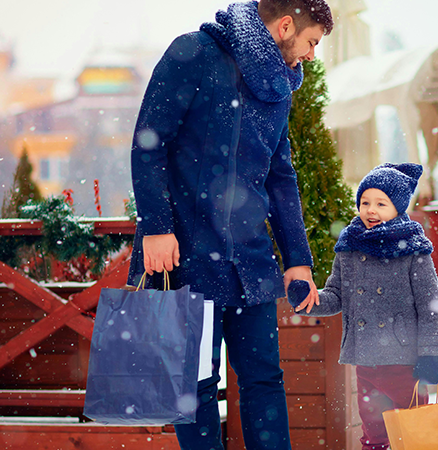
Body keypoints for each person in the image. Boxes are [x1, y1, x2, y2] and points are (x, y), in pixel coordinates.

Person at [127, 1, 333, 449]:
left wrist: (297, 259)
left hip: (250, 263)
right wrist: (158, 228)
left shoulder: (279, 86)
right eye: (312, 41)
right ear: (284, 26)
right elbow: (148, 145)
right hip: (186, 259)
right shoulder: (195, 53)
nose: (312, 55)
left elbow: (280, 175)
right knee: (195, 386)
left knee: (264, 380)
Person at [286, 163, 438, 450]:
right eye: (365, 202)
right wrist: (308, 301)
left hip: (405, 364)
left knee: (414, 435)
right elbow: (336, 295)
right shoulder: (349, 247)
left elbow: (430, 306)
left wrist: (430, 354)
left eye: (381, 203)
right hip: (366, 362)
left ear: (398, 208)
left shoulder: (414, 249)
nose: (371, 210)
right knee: (374, 437)